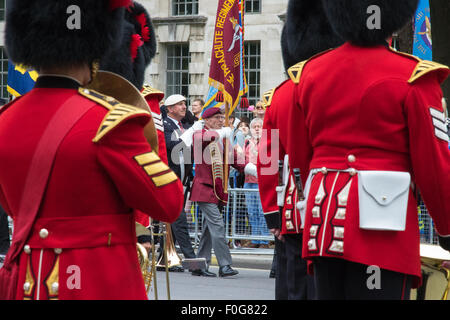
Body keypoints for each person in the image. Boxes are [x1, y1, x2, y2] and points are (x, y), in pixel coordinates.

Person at [0, 0, 183, 300]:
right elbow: (169, 203)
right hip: (96, 282)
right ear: (95, 47)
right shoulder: (111, 123)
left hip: (26, 281)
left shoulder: (5, 121)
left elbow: (11, 205)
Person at [286, 0, 450, 300]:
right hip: (382, 230)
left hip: (322, 226)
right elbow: (435, 168)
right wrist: (447, 227)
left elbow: (298, 160)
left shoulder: (308, 74)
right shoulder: (413, 77)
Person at [257, 0, 344, 300]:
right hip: (337, 206)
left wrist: (272, 213)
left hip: (293, 209)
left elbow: (267, 162)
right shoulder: (339, 88)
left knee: (292, 285)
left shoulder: (279, 97)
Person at [189, 107, 247, 277]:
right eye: (217, 117)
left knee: (208, 230)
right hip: (204, 189)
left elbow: (237, 161)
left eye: (223, 117)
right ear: (206, 120)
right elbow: (205, 138)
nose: (222, 120)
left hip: (218, 191)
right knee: (218, 226)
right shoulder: (200, 134)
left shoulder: (224, 139)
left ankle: (198, 265)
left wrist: (253, 169)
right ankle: (225, 265)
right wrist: (223, 133)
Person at [162, 94, 202, 270]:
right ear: (170, 109)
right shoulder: (165, 125)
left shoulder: (184, 125)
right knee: (179, 219)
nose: (184, 107)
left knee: (172, 222)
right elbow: (174, 144)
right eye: (179, 104)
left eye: (184, 104)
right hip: (169, 180)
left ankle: (166, 258)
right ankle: (192, 261)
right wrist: (193, 131)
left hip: (183, 180)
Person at [244, 118, 270, 248]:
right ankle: (255, 240)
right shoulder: (246, 142)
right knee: (252, 212)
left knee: (262, 212)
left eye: (260, 126)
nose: (257, 128)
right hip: (249, 181)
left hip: (263, 182)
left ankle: (264, 240)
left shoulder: (268, 142)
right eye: (254, 126)